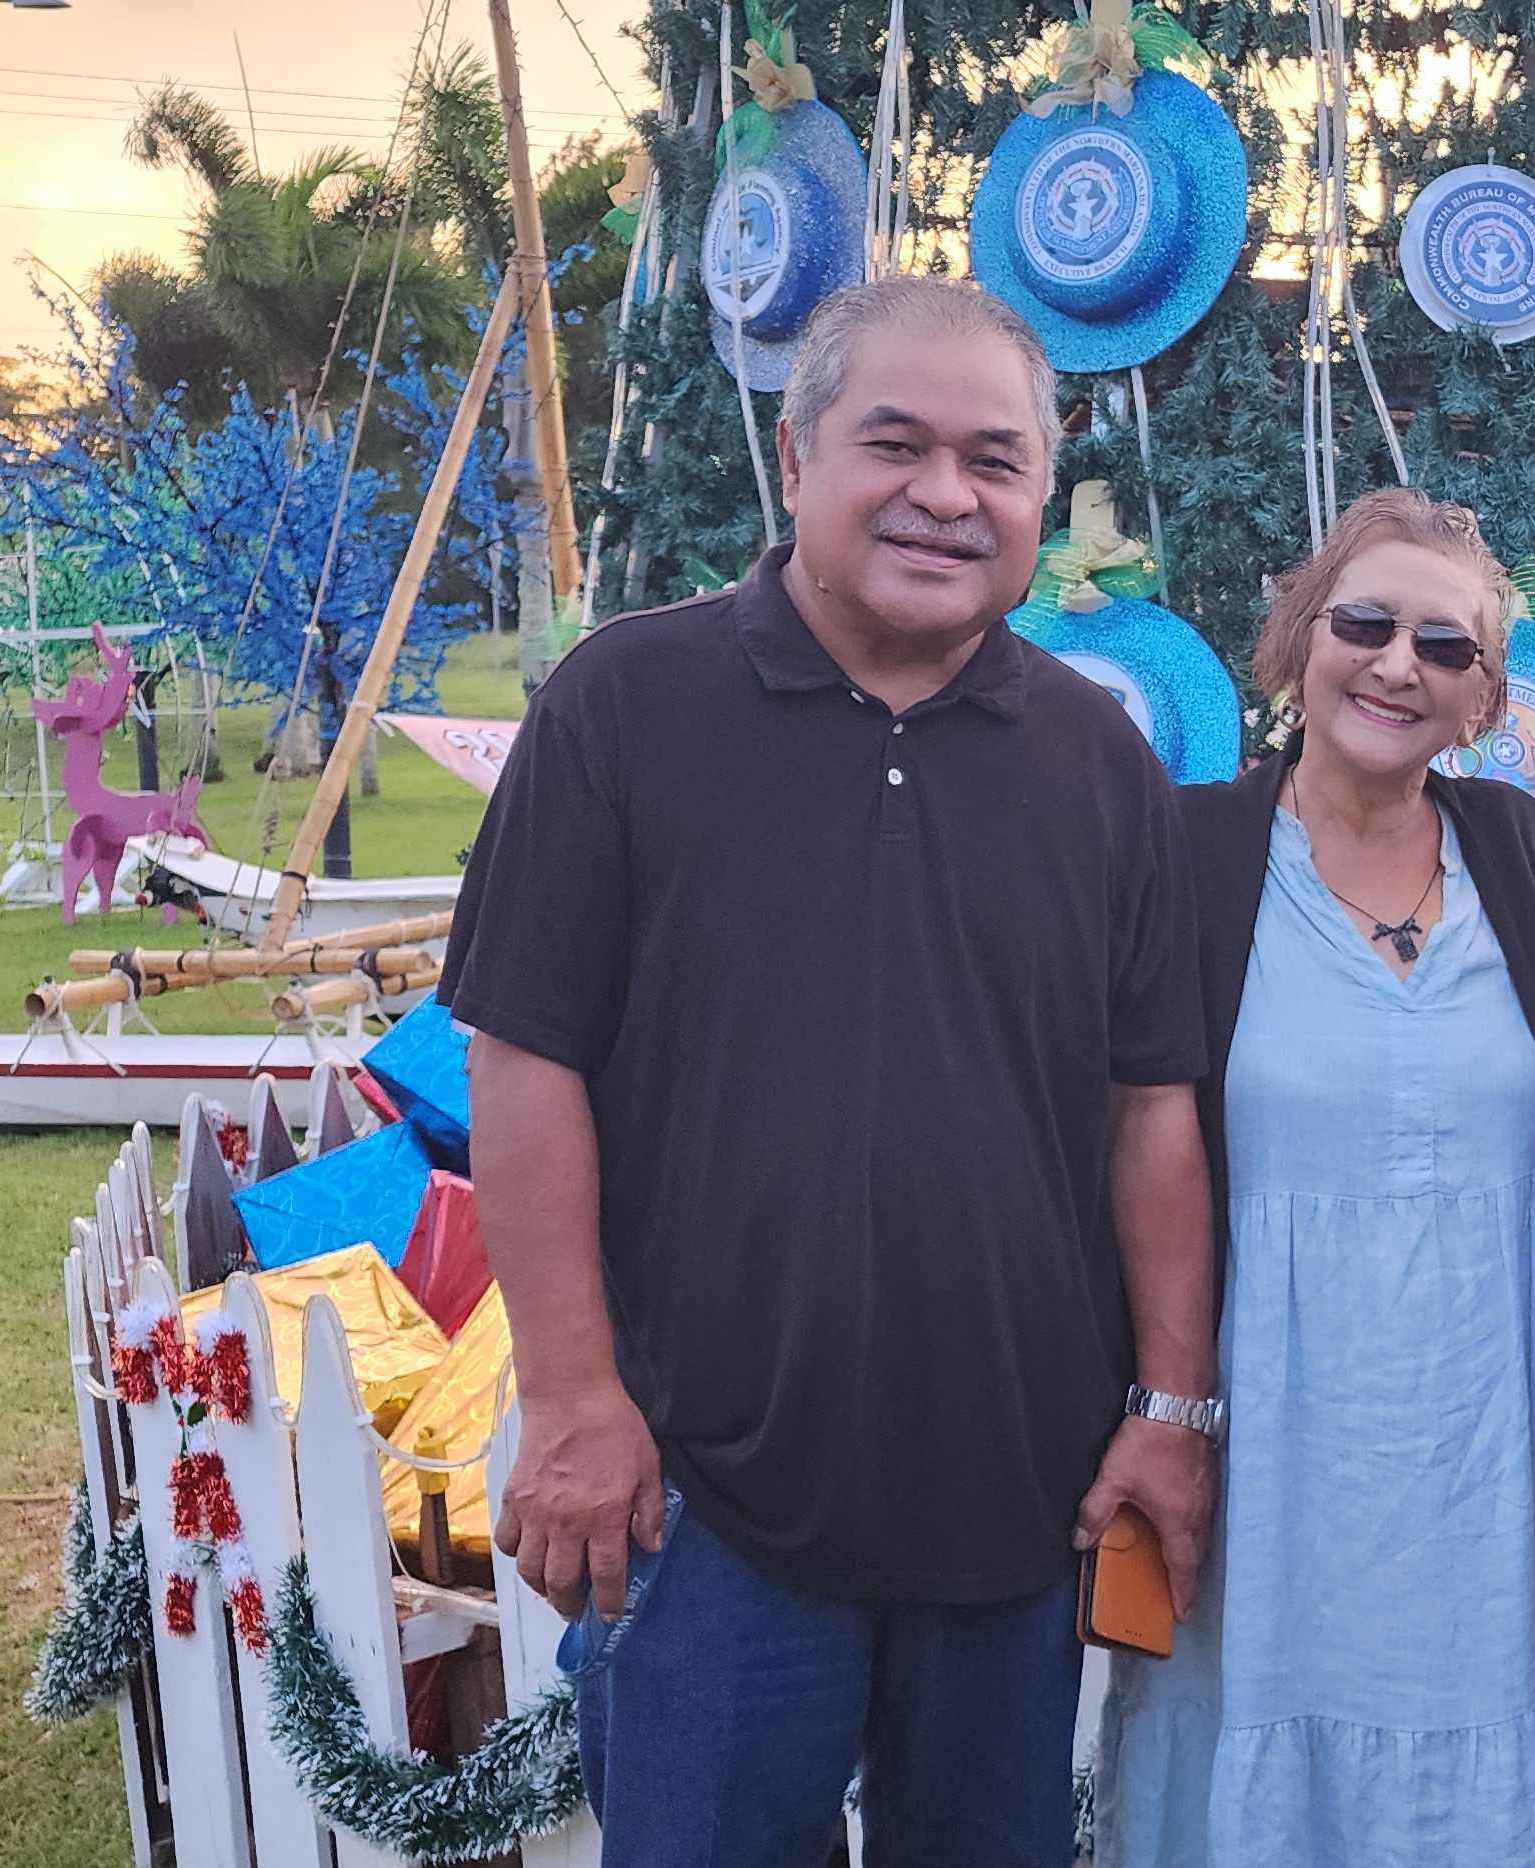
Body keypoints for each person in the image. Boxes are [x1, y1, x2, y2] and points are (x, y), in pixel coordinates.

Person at [441, 277, 1217, 1868]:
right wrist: (573, 1396)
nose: (948, 495)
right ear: (797, 459)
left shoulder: (1100, 763)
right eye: (897, 444)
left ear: (1040, 499)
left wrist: (1169, 1404)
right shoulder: (625, 708)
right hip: (705, 1495)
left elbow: (1151, 1112)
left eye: (996, 461)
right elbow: (525, 1065)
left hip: (1017, 1494)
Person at [1095, 489, 1535, 1868]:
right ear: (1299, 639)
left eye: (1445, 647)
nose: (1399, 665)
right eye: (1367, 625)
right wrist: (1165, 1406)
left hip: (1494, 1444)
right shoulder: (1193, 856)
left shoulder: (1525, 856)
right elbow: (1132, 1135)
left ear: (1483, 697)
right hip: (1274, 1439)